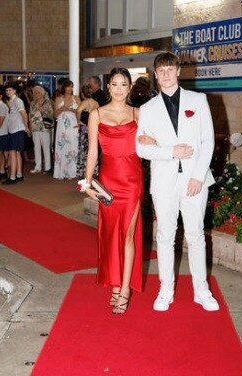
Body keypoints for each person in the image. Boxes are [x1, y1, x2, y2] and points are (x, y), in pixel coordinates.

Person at [136, 51, 220, 312]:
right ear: (155, 75)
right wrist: (171, 151)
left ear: (178, 71)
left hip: (195, 180)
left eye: (170, 69)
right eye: (161, 71)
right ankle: (165, 289)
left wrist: (197, 176)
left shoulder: (198, 100)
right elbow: (141, 149)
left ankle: (201, 290)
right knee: (165, 236)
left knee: (195, 236)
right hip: (164, 182)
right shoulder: (147, 109)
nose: (166, 74)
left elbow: (208, 141)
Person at [84, 67, 154, 314]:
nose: (119, 89)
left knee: (128, 235)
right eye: (114, 84)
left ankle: (124, 289)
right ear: (108, 86)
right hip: (107, 182)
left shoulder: (138, 113)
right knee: (110, 235)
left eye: (124, 84)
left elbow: (150, 143)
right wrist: (87, 182)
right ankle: (114, 282)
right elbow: (93, 151)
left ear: (129, 87)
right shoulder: (96, 114)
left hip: (132, 181)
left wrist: (152, 142)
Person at [2, 82, 30, 184]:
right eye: (6, 90)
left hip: (17, 129)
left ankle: (12, 177)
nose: (8, 92)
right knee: (17, 152)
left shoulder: (17, 100)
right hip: (13, 129)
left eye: (10, 90)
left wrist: (26, 127)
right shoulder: (11, 101)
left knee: (13, 152)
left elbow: (24, 114)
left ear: (14, 91)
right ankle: (19, 175)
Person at [53, 79, 80, 179]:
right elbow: (55, 115)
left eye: (71, 86)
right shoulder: (58, 98)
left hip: (73, 125)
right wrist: (62, 108)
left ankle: (73, 172)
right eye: (68, 86)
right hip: (62, 127)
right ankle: (61, 171)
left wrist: (71, 110)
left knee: (73, 146)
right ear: (64, 87)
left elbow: (79, 112)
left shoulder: (76, 98)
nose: (70, 88)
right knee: (62, 147)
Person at [29, 85, 54, 173]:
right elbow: (30, 115)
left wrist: (42, 110)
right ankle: (37, 167)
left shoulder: (48, 102)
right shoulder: (32, 103)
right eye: (35, 93)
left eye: (38, 92)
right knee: (36, 147)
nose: (36, 94)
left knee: (46, 147)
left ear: (43, 93)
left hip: (45, 127)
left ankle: (47, 167)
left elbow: (51, 114)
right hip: (35, 127)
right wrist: (30, 127)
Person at [76, 84, 99, 178]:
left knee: (84, 150)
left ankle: (84, 172)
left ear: (82, 93)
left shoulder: (84, 102)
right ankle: (94, 171)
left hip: (85, 129)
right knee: (93, 149)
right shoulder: (96, 103)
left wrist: (78, 121)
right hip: (94, 129)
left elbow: (78, 111)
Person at [0, 85, 9, 180]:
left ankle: (1, 171)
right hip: (1, 133)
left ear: (0, 96)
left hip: (2, 134)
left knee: (0, 153)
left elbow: (0, 122)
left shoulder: (2, 106)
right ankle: (2, 171)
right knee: (0, 153)